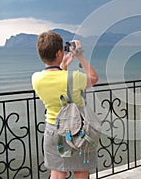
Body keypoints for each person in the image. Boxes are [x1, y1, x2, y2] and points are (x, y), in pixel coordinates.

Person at [31, 31, 98, 179]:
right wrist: (80, 55)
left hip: (53, 130)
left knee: (57, 172)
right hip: (77, 131)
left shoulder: (36, 78)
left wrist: (62, 66)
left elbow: (57, 82)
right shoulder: (73, 77)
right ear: (59, 53)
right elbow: (93, 78)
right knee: (80, 171)